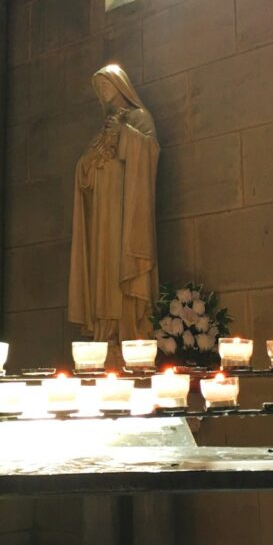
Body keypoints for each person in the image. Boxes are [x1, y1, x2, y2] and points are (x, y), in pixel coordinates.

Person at [68, 65, 160, 341]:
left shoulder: (139, 117)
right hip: (102, 213)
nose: (103, 90)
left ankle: (129, 330)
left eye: (106, 84)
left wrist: (125, 133)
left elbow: (150, 151)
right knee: (103, 268)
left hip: (125, 209)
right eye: (99, 87)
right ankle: (105, 333)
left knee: (124, 262)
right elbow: (85, 168)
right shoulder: (103, 128)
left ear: (120, 85)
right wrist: (86, 168)